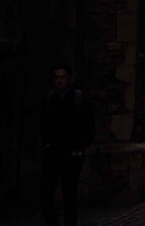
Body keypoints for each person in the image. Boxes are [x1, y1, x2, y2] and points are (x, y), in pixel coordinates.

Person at [40, 62, 95, 226]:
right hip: (52, 153)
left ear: (69, 78)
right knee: (46, 194)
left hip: (72, 155)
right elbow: (42, 123)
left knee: (69, 195)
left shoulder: (78, 98)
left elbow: (88, 126)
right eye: (56, 77)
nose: (59, 81)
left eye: (62, 77)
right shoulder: (49, 98)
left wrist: (80, 148)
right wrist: (46, 143)